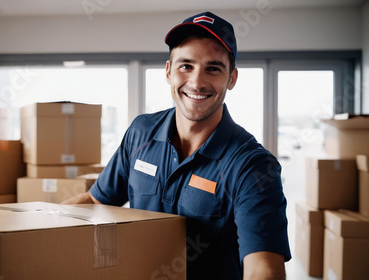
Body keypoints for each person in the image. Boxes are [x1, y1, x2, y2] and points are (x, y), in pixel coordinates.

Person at [64, 11, 291, 279]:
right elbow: (94, 200)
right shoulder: (140, 133)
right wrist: (42, 230)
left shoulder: (252, 166)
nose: (197, 82)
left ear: (232, 78)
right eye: (186, 65)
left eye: (213, 68)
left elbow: (264, 268)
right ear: (169, 71)